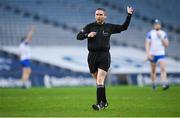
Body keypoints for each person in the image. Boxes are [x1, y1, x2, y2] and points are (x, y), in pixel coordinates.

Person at [77, 7, 133, 110]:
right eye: (97, 14)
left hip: (104, 56)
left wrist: (129, 15)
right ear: (95, 16)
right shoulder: (90, 26)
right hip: (92, 56)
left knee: (100, 80)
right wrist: (87, 35)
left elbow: (124, 27)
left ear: (105, 16)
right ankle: (105, 101)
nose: (98, 16)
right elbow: (78, 36)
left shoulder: (109, 27)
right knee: (98, 81)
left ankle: (99, 104)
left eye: (100, 14)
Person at [145, 19, 169, 90]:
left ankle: (164, 83)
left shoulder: (163, 33)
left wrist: (161, 37)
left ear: (160, 25)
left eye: (158, 24)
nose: (157, 25)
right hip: (153, 54)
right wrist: (148, 53)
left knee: (163, 69)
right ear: (153, 25)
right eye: (155, 24)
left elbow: (166, 44)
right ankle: (154, 84)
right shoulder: (150, 33)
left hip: (161, 53)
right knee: (153, 70)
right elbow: (147, 44)